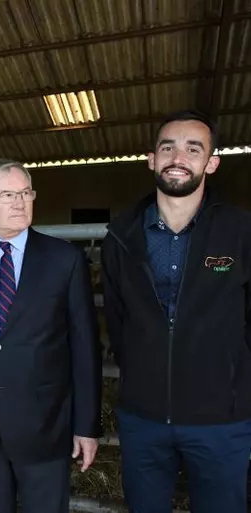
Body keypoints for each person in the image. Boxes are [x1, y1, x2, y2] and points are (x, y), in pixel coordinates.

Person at [101, 109, 251, 513]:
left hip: (222, 420)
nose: (178, 158)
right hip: (143, 418)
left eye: (192, 149)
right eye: (168, 148)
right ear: (152, 159)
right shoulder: (121, 236)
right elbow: (116, 319)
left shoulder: (239, 232)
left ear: (211, 163)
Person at [0, 159, 102, 513]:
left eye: (26, 193)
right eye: (7, 194)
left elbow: (85, 346)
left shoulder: (65, 259)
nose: (19, 202)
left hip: (46, 421)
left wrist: (87, 425)